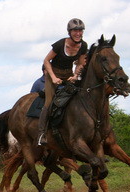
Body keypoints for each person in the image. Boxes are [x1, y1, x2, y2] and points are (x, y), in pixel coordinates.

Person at [38, 18, 88, 146]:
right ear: (69, 32)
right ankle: (41, 134)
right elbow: (46, 61)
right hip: (53, 74)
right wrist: (53, 77)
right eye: (75, 31)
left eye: (80, 31)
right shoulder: (60, 44)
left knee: (80, 97)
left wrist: (76, 75)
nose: (78, 33)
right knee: (49, 103)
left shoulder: (83, 46)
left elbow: (81, 63)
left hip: (68, 74)